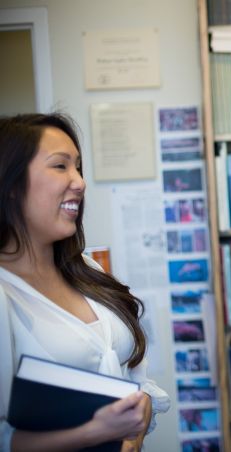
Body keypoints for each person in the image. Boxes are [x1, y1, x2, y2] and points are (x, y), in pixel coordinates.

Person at [0, 113, 170, 451]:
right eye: (60, 166)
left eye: (78, 167)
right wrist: (96, 432)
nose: (79, 181)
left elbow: (137, 379)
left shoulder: (87, 269)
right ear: (12, 185)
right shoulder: (6, 294)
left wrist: (139, 417)